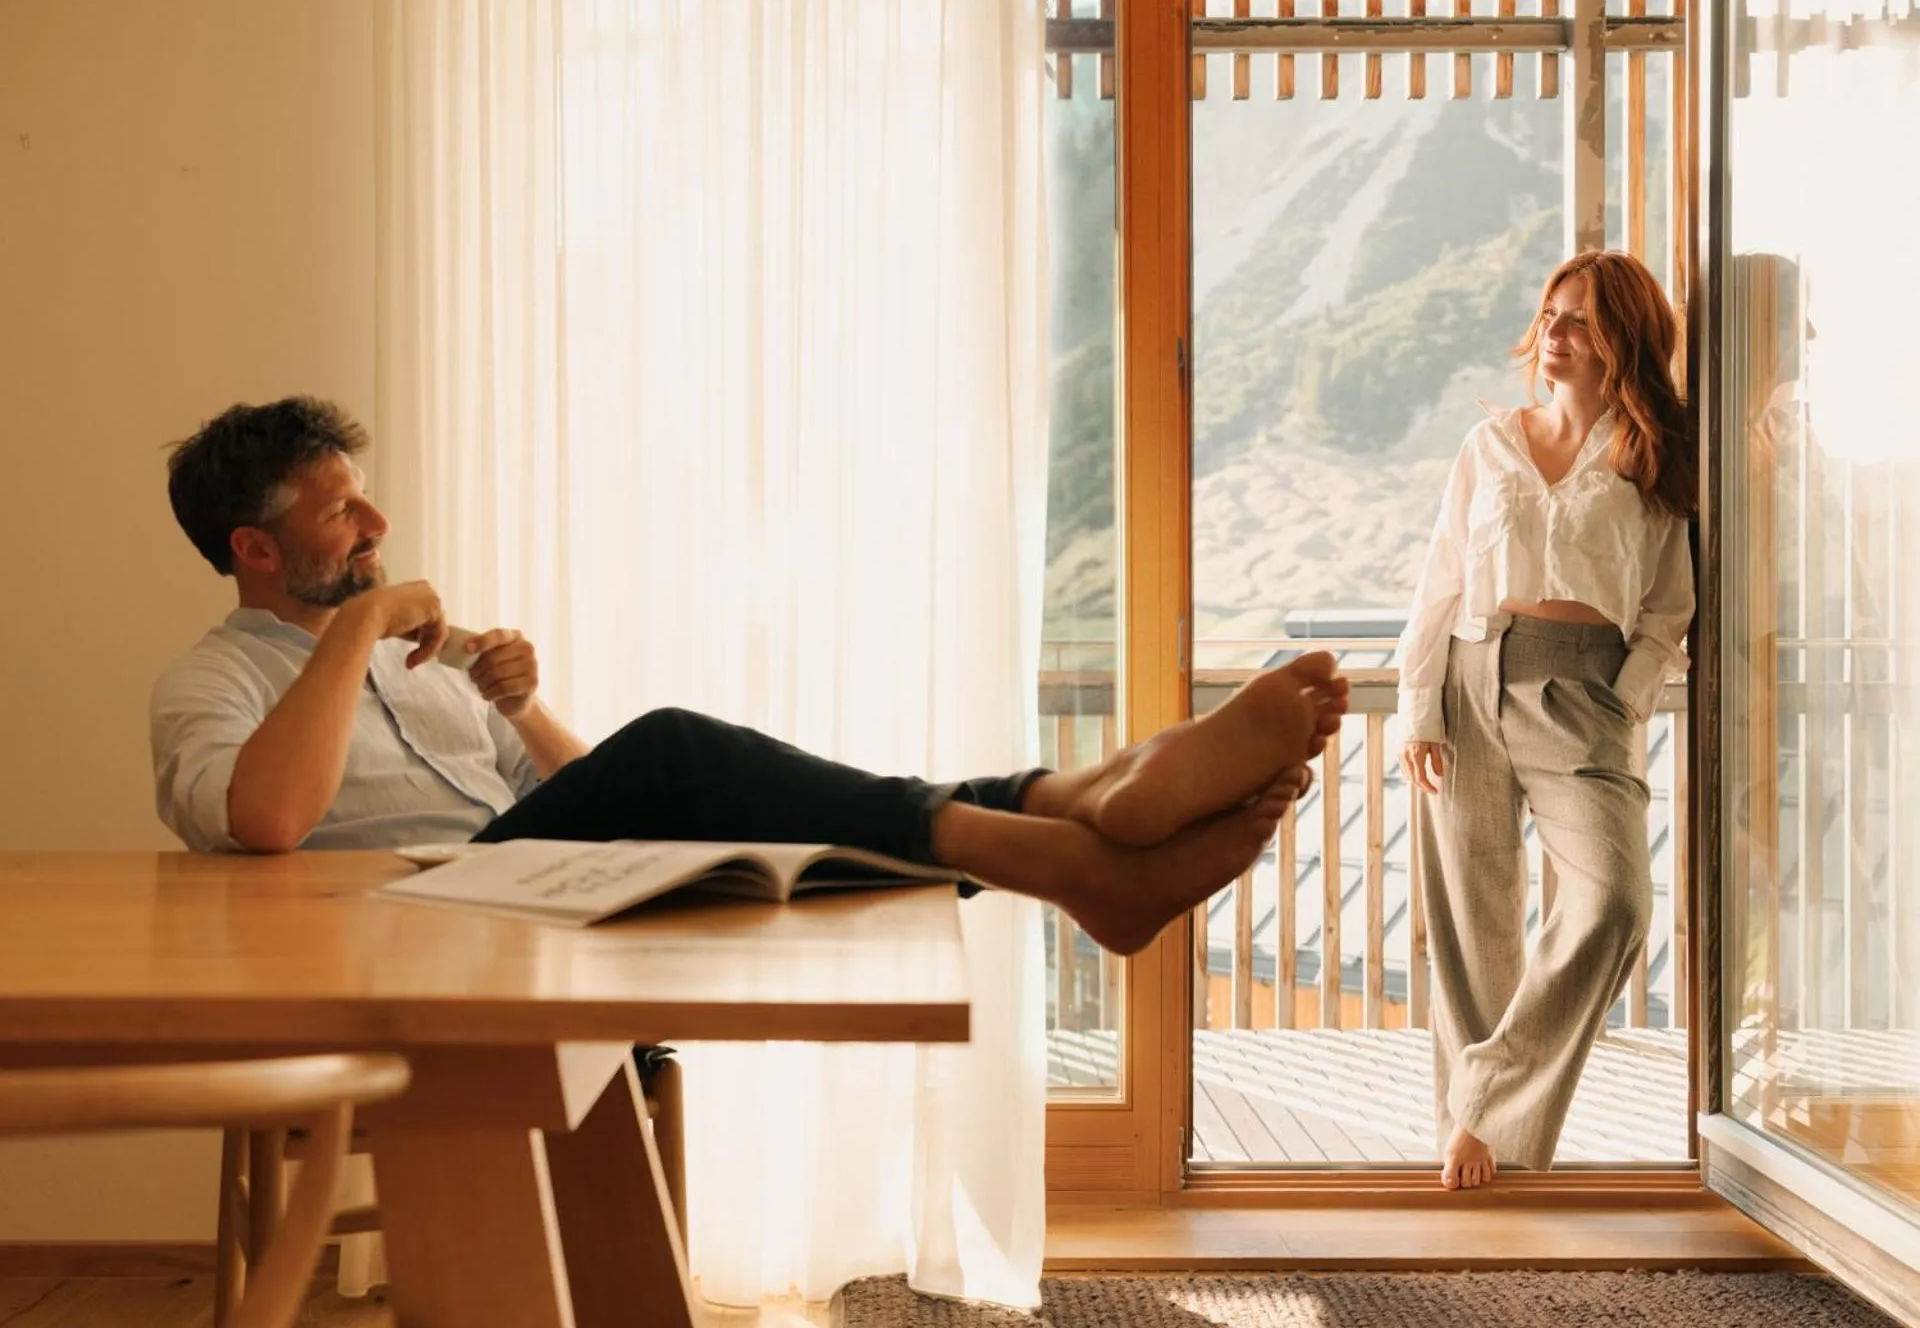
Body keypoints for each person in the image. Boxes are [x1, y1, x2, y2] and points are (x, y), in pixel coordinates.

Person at [152, 397, 1350, 958]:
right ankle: (1063, 839)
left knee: (724, 810)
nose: (375, 523)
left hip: (518, 903)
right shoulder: (209, 685)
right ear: (255, 549)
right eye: (339, 511)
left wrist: (518, 708)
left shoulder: (431, 668)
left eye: (365, 499)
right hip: (393, 938)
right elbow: (268, 823)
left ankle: (1064, 817)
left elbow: (601, 794)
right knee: (679, 745)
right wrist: (362, 627)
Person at [1395, 251, 1696, 1189]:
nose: (1554, 334)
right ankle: (1476, 1136)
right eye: (1551, 315)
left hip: (1584, 690)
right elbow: (1441, 580)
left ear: (1621, 341)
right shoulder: (1489, 445)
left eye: (1579, 320)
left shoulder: (1653, 456)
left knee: (1614, 902)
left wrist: (1624, 698)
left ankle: (1484, 1097)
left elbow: (1670, 607)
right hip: (1470, 675)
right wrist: (1417, 706)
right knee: (1472, 918)